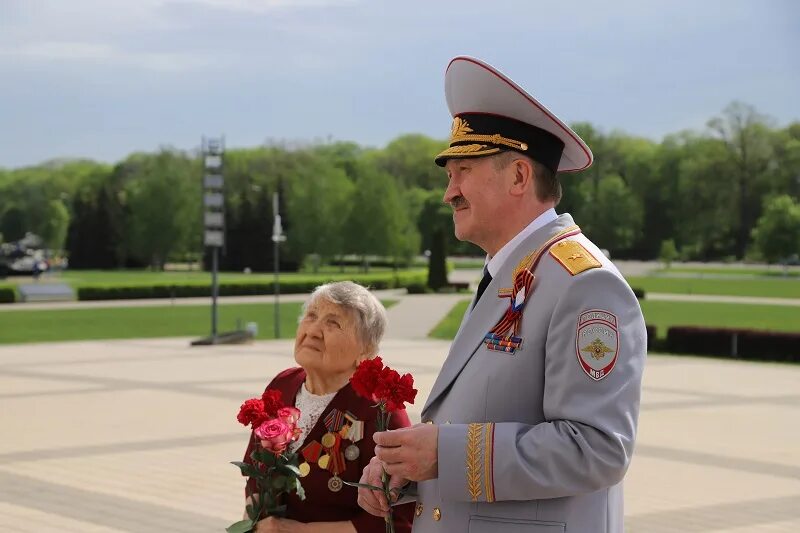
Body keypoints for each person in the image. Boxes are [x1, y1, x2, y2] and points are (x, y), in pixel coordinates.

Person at [357, 57, 646, 532]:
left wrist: (444, 454)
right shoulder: (516, 270)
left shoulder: (585, 283)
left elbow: (597, 449)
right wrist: (408, 469)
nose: (449, 193)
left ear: (518, 177)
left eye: (462, 171)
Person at [242, 281, 414, 533]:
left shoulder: (379, 410)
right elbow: (256, 474)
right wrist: (252, 521)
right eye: (311, 316)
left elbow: (393, 521)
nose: (312, 330)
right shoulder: (283, 384)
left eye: (333, 323)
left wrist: (293, 531)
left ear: (365, 350)